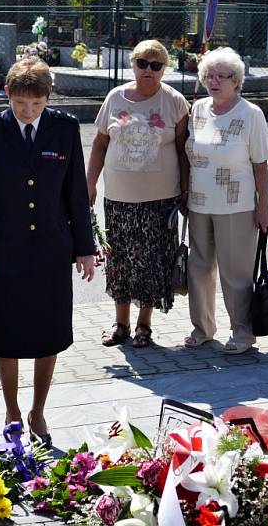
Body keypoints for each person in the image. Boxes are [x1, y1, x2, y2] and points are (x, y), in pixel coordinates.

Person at [0, 57, 95, 447]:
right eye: (21, 103)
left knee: (49, 333)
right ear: (8, 95)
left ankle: (37, 410)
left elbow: (75, 192)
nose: (28, 112)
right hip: (5, 249)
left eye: (36, 104)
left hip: (51, 248)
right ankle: (11, 410)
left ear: (47, 98)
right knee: (6, 333)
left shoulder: (63, 129)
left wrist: (84, 248)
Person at [86, 39, 190, 348]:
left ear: (163, 69)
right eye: (142, 63)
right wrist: (90, 183)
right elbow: (100, 143)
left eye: (156, 65)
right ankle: (121, 325)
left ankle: (145, 325)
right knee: (119, 261)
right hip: (118, 197)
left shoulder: (174, 101)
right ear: (133, 65)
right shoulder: (115, 98)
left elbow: (184, 150)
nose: (148, 70)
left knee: (152, 262)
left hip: (161, 199)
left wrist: (186, 188)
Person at [184, 47, 268, 355]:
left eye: (222, 76)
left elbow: (260, 165)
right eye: (209, 75)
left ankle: (242, 332)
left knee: (235, 272)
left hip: (236, 205)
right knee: (199, 267)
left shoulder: (250, 115)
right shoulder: (198, 110)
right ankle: (203, 328)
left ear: (237, 81)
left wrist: (263, 208)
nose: (214, 81)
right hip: (198, 202)